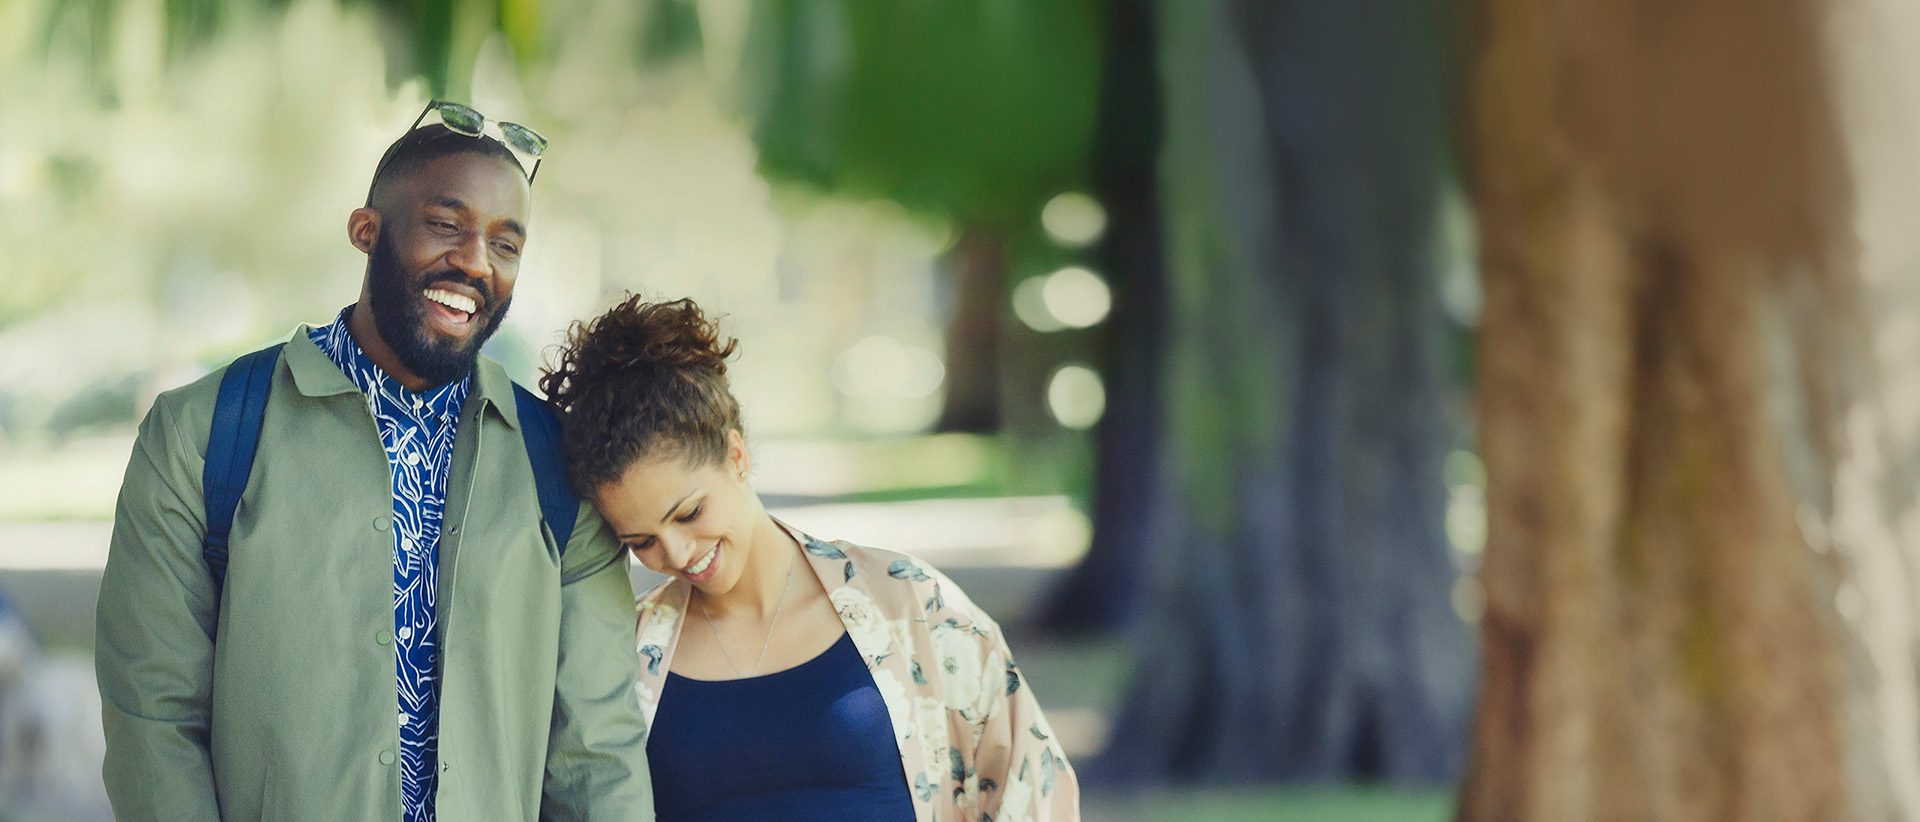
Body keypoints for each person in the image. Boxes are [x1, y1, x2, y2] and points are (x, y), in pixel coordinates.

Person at [95, 102, 652, 822]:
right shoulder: (201, 435)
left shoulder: (557, 459)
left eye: (506, 244)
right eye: (446, 226)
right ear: (368, 232)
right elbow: (152, 720)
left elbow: (597, 753)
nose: (476, 262)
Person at [539, 295, 1080, 822]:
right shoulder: (627, 654)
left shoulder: (907, 604)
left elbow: (1030, 788)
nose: (676, 553)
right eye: (642, 543)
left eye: (688, 513)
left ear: (736, 455)